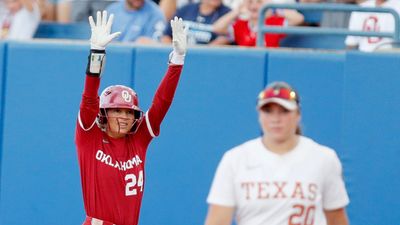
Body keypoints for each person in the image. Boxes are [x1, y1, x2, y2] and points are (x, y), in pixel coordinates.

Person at [75, 10, 187, 225]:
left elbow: (161, 104)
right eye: (117, 110)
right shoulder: (89, 137)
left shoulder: (138, 140)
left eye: (129, 112)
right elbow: (89, 97)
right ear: (104, 114)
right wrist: (97, 52)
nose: (124, 116)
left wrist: (177, 61)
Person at [205, 82, 350, 225]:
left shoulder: (323, 158)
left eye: (284, 111)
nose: (276, 119)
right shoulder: (236, 159)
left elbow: (337, 219)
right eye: (268, 111)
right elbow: (217, 220)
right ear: (259, 115)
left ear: (297, 115)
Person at [212, 0, 304, 47]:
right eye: (250, 1)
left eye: (259, 2)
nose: (254, 6)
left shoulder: (274, 22)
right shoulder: (241, 24)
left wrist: (273, 8)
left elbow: (299, 19)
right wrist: (237, 11)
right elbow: (217, 28)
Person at [161, 0, 232, 46]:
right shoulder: (187, 8)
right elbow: (166, 35)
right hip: (179, 55)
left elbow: (223, 41)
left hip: (206, 59)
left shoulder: (227, 13)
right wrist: (175, 53)